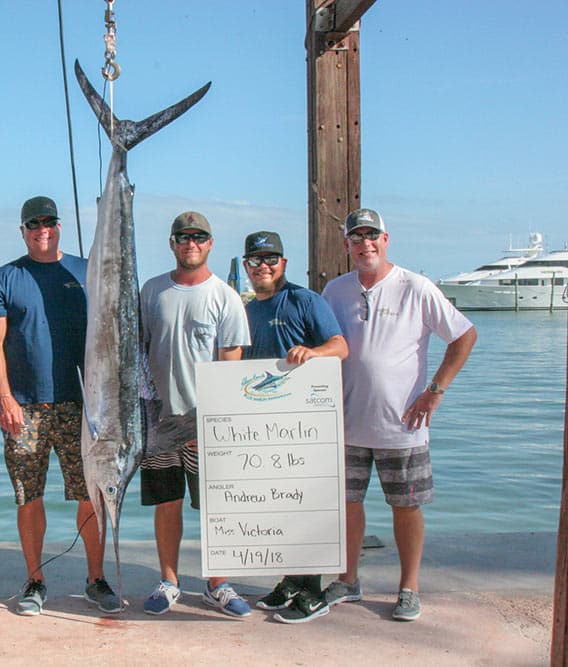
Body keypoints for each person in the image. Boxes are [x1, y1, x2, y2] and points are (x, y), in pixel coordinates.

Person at [321, 208, 477, 622]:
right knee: (346, 504)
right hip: (346, 424)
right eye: (357, 238)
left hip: (404, 425)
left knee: (406, 507)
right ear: (346, 245)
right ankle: (347, 578)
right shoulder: (334, 291)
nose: (365, 244)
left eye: (373, 236)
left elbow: (464, 336)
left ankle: (409, 587)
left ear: (386, 239)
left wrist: (435, 390)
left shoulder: (416, 286)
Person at [0, 196, 121, 616]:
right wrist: (4, 398)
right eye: (34, 223)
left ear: (59, 226)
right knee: (29, 496)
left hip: (83, 408)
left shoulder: (85, 270)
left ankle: (95, 578)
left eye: (49, 222)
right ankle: (35, 579)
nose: (43, 229)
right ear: (23, 230)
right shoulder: (4, 277)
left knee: (92, 496)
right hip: (24, 408)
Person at [140, 211, 253, 618]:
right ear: (172, 243)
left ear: (210, 243)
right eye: (183, 236)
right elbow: (138, 355)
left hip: (208, 423)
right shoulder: (151, 291)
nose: (191, 242)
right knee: (166, 502)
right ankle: (169, 581)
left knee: (215, 507)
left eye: (198, 236)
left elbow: (231, 367)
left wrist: (209, 422)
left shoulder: (225, 297)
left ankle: (218, 583)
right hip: (158, 421)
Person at [240, 230, 348, 624]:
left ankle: (314, 589)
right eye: (255, 261)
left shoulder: (305, 300)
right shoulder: (247, 310)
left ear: (283, 264)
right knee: (278, 504)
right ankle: (290, 579)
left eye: (271, 260)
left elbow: (340, 346)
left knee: (306, 504)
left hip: (305, 425)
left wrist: (313, 352)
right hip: (263, 425)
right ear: (247, 267)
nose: (263, 267)